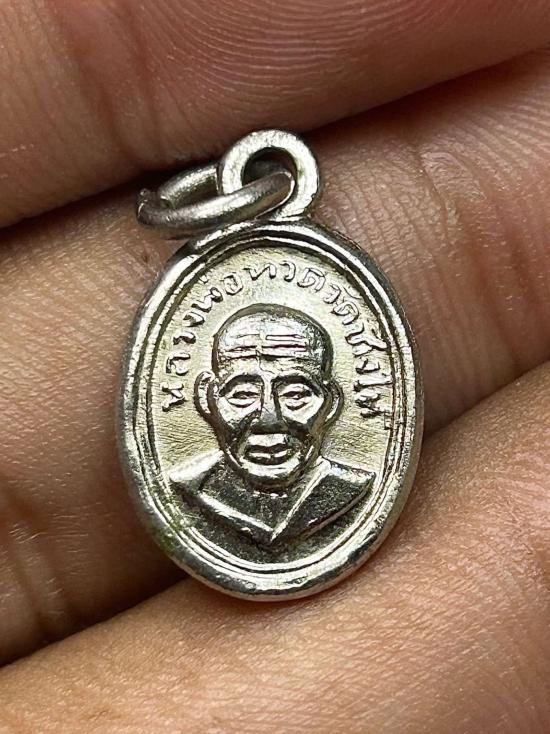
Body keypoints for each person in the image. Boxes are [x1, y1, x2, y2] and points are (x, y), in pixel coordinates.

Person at [170, 304, 374, 546]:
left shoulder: (349, 489)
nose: (269, 420)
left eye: (295, 395)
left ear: (332, 403)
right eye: (243, 394)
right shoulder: (191, 486)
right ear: (207, 399)